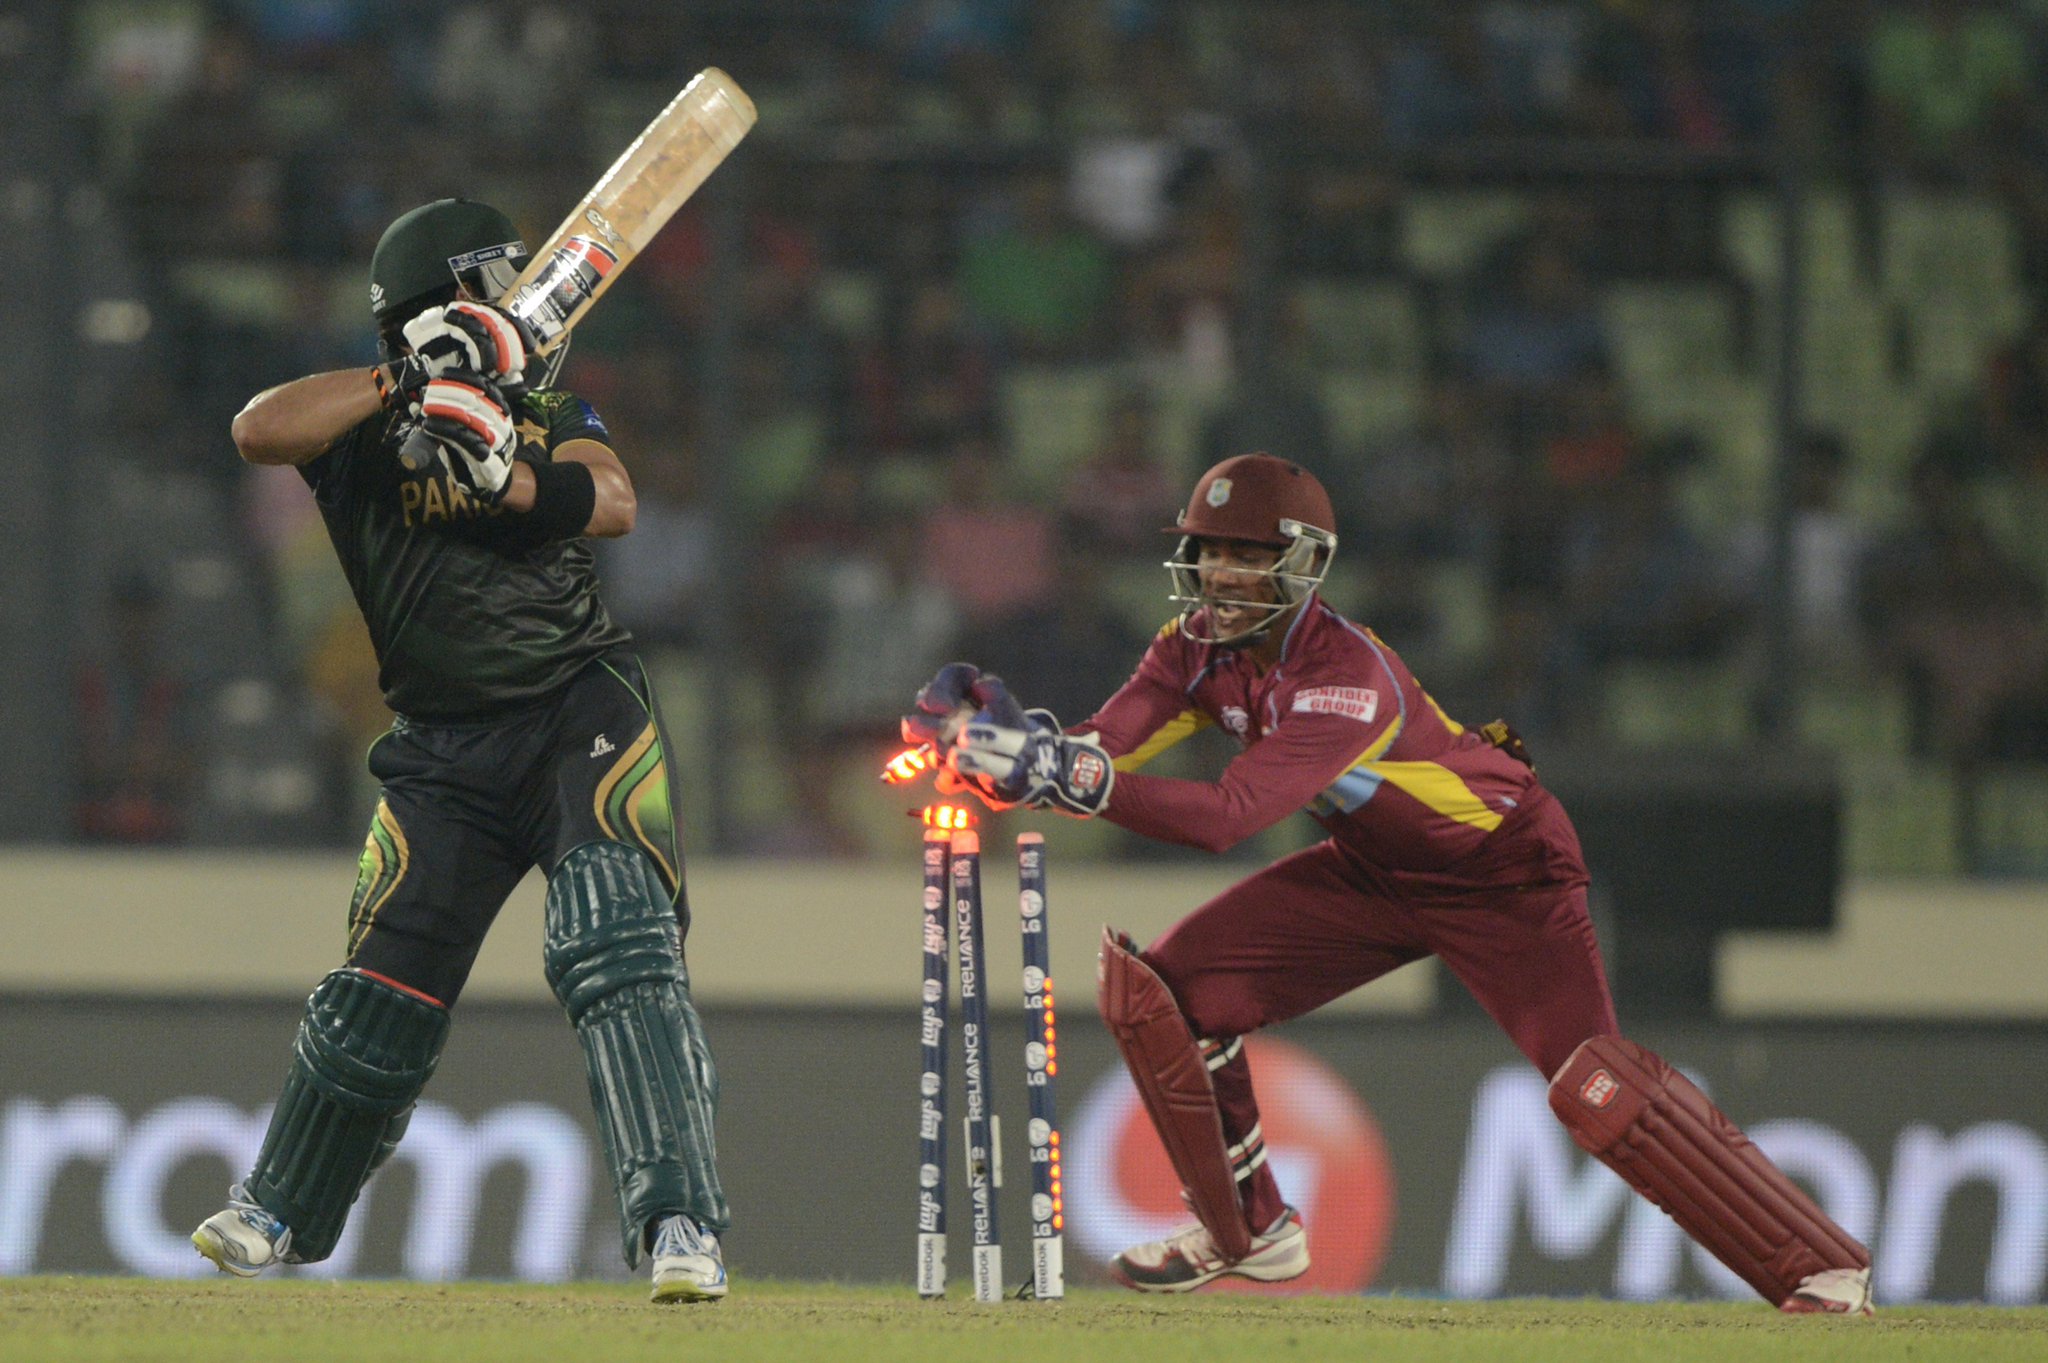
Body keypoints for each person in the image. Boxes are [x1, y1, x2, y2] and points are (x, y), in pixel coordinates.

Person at [905, 452, 1874, 1314]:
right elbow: (1093, 754)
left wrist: (1068, 777)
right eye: (1209, 551)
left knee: (1594, 1085)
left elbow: (1226, 818)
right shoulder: (1187, 650)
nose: (1221, 575)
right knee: (1165, 992)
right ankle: (1248, 1231)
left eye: (1247, 555)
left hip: (1503, 872)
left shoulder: (1344, 680)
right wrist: (995, 748)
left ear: (1303, 565)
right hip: (1375, 870)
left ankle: (1820, 1266)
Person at [188, 199, 730, 1303]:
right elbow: (255, 430)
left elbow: (614, 502)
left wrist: (508, 479)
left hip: (579, 712)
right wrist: (407, 381)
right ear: (444, 298)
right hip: (440, 746)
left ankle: (679, 1223)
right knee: (377, 991)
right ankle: (276, 1211)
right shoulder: (354, 422)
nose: (528, 294)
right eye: (502, 278)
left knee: (616, 946)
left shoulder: (546, 403)